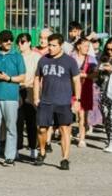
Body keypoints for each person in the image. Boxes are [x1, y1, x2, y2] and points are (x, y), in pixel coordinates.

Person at [34, 33, 81, 171]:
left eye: (54, 45)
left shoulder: (69, 61)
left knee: (64, 129)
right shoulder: (43, 60)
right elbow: (37, 78)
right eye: (49, 45)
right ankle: (42, 152)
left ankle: (65, 159)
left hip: (63, 101)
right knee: (42, 129)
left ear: (61, 46)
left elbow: (76, 80)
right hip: (46, 101)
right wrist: (36, 97)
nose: (50, 48)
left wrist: (77, 99)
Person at [0, 30, 25, 166]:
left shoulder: (17, 56)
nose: (9, 42)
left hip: (10, 96)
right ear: (0, 42)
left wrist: (8, 78)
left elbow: (22, 77)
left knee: (10, 127)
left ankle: (10, 156)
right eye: (5, 40)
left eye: (10, 39)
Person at [16, 32, 41, 159]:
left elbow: (39, 75)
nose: (20, 44)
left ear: (29, 42)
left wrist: (31, 84)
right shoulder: (16, 56)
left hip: (31, 89)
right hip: (17, 88)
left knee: (32, 121)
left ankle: (33, 147)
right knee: (17, 120)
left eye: (23, 41)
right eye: (19, 42)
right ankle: (16, 148)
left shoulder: (36, 56)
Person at [71, 37, 97, 148]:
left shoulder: (91, 59)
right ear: (78, 46)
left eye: (88, 46)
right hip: (71, 89)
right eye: (86, 46)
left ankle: (81, 139)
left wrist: (83, 75)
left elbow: (95, 75)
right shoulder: (71, 58)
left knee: (82, 116)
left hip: (85, 89)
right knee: (69, 114)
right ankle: (66, 134)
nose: (88, 48)